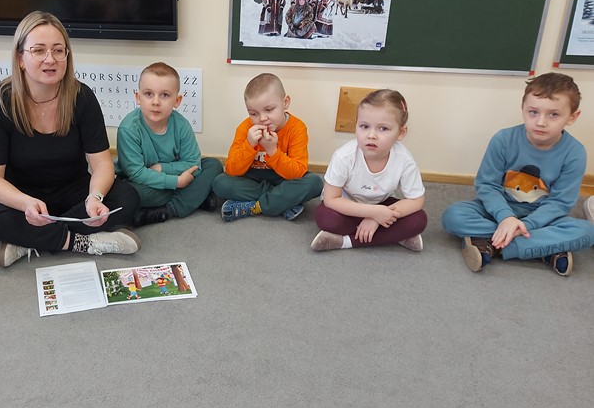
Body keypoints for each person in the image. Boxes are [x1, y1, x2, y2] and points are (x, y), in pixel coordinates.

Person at [0, 11, 141, 267]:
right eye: (39, 50)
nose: (50, 59)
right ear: (20, 58)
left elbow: (102, 164)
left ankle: (27, 240)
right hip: (23, 197)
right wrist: (25, 203)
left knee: (128, 197)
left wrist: (95, 198)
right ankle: (79, 242)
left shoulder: (82, 97)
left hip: (73, 190)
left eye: (58, 50)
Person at [441, 72, 594, 276]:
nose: (541, 122)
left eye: (553, 115)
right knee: (453, 216)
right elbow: (487, 185)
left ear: (572, 117)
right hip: (497, 210)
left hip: (543, 218)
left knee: (587, 232)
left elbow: (560, 203)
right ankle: (544, 248)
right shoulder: (503, 139)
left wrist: (524, 225)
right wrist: (506, 217)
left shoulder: (575, 153)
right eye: (533, 112)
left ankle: (493, 245)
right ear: (523, 108)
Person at [311, 89, 427, 252]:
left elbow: (416, 200)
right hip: (348, 206)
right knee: (326, 218)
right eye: (364, 126)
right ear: (356, 126)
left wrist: (376, 219)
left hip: (381, 205)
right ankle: (394, 236)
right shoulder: (344, 156)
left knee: (418, 220)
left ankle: (345, 241)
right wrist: (373, 213)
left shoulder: (404, 159)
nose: (371, 135)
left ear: (401, 133)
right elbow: (331, 199)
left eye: (383, 128)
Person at [116, 62, 222, 226]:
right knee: (126, 193)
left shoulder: (181, 125)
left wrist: (161, 168)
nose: (156, 102)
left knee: (213, 165)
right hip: (143, 182)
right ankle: (197, 197)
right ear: (138, 98)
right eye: (148, 94)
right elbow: (136, 173)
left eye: (164, 95)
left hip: (172, 176)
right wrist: (176, 182)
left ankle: (168, 210)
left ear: (177, 100)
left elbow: (193, 164)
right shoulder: (128, 129)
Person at [212, 72, 323, 221]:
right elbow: (232, 170)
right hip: (253, 177)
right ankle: (282, 202)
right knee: (220, 183)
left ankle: (255, 207)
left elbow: (297, 173)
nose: (262, 118)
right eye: (253, 113)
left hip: (283, 179)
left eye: (269, 110)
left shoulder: (297, 128)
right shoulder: (245, 128)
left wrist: (272, 151)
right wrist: (249, 145)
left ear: (285, 102)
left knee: (315, 183)